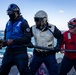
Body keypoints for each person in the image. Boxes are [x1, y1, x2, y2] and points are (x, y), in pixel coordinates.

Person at [0, 3, 31, 75]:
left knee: (24, 72)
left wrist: (14, 41)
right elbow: (6, 38)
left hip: (20, 52)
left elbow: (27, 38)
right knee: (3, 71)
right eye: (8, 13)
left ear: (16, 12)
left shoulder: (23, 22)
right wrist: (3, 44)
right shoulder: (8, 23)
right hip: (8, 52)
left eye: (11, 13)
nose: (9, 15)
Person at [29, 10, 63, 75]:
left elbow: (60, 37)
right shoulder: (33, 28)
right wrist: (28, 43)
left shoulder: (53, 28)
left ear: (43, 20)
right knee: (31, 71)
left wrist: (58, 46)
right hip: (37, 54)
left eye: (37, 20)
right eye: (35, 19)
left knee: (53, 72)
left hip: (50, 54)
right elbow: (27, 37)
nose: (35, 21)